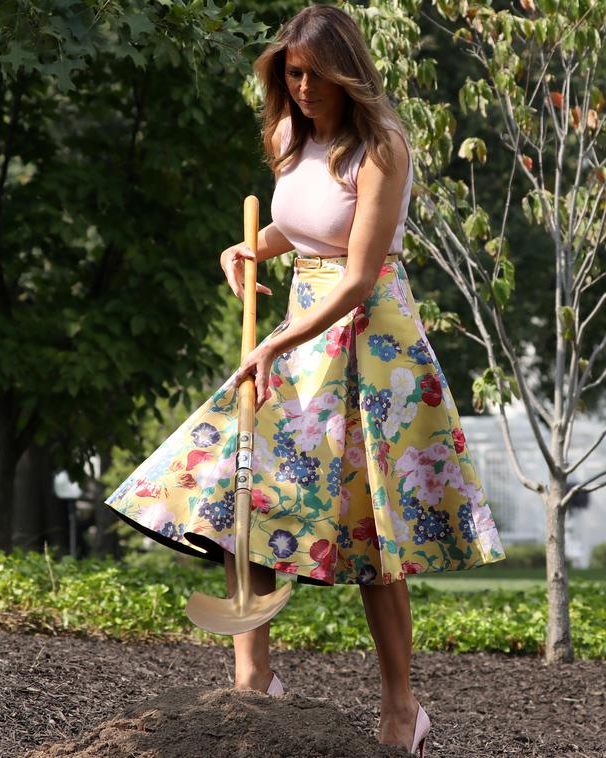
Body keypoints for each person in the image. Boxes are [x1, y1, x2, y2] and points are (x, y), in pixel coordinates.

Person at [101, 5, 507, 756]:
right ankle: (253, 679)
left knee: (371, 534)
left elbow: (355, 276)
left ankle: (401, 710)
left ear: (347, 72)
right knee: (238, 486)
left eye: (316, 74)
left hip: (367, 344)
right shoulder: (292, 135)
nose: (303, 86)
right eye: (292, 72)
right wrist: (247, 248)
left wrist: (274, 343)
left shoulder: (382, 148)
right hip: (298, 335)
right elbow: (301, 226)